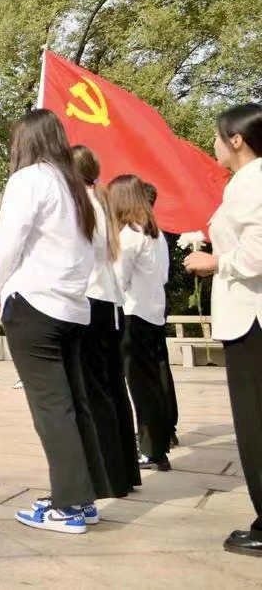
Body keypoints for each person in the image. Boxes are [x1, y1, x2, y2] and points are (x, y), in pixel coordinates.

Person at [0, 108, 106, 535]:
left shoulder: (29, 179)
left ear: (25, 142)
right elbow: (89, 253)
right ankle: (82, 497)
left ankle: (68, 507)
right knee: (73, 404)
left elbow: (6, 241)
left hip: (35, 303)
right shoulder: (76, 187)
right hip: (71, 306)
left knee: (51, 408)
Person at [184, 102, 262, 557]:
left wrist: (216, 262)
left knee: (255, 424)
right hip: (247, 314)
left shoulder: (254, 182)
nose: (213, 144)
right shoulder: (244, 183)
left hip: (252, 317)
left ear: (237, 140)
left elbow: (257, 251)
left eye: (218, 136)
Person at [72, 146, 140, 497]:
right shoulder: (100, 201)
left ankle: (106, 477)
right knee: (113, 389)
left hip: (89, 301)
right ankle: (123, 473)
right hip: (109, 301)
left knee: (93, 392)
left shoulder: (81, 204)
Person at [108, 175, 172, 471]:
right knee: (153, 384)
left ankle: (150, 449)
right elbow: (163, 275)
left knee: (139, 386)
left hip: (133, 315)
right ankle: (158, 444)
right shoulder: (155, 234)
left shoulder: (129, 235)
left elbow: (118, 280)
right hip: (154, 313)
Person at [143, 181, 180, 448]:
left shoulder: (137, 233)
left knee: (145, 373)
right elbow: (165, 275)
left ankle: (154, 431)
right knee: (160, 366)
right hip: (156, 304)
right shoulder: (158, 234)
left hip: (139, 308)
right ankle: (168, 425)